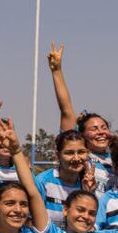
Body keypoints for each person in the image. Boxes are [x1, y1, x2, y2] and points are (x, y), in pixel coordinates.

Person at [47, 41, 113, 191]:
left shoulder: (117, 160)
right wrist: (57, 71)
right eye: (94, 129)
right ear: (82, 135)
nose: (101, 132)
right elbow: (66, 110)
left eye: (104, 127)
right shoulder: (81, 158)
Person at [34, 130, 96, 228]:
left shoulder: (88, 184)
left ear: (88, 153)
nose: (76, 158)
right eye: (69, 153)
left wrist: (88, 193)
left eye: (81, 152)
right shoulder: (42, 182)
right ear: (58, 155)